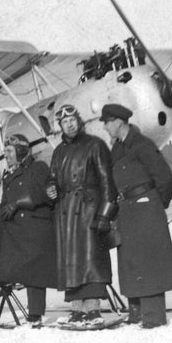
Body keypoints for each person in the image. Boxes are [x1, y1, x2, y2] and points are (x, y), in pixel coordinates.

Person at [101, 103, 172, 328]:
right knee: (130, 261)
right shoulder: (117, 149)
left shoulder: (142, 144)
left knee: (150, 263)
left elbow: (165, 179)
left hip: (146, 208)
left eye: (107, 123)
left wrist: (153, 206)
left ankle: (153, 317)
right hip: (127, 210)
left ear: (118, 121)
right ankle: (135, 312)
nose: (106, 128)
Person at [46, 105, 118, 327]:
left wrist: (105, 213)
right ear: (60, 126)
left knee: (91, 260)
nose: (69, 124)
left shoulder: (95, 145)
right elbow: (53, 177)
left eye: (72, 119)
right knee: (72, 262)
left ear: (79, 121)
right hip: (67, 212)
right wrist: (50, 188)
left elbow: (107, 181)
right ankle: (76, 310)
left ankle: (93, 309)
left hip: (89, 210)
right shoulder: (58, 152)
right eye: (64, 121)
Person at [0, 134, 57, 327]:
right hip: (18, 226)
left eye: (10, 151)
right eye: (5, 151)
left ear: (21, 151)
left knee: (33, 266)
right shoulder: (8, 175)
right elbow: (4, 203)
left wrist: (18, 203)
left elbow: (48, 193)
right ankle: (1, 280)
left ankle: (35, 314)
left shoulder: (39, 168)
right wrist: (1, 210)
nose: (6, 155)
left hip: (36, 226)